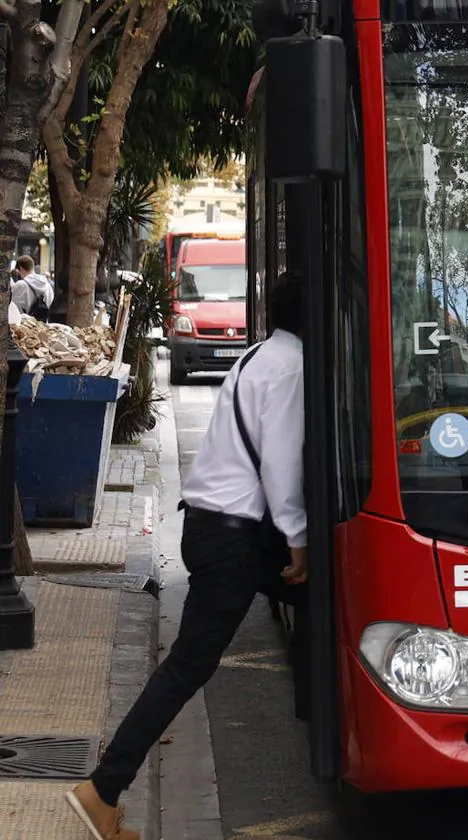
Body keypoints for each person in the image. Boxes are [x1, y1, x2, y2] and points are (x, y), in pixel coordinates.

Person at [66, 272, 308, 840]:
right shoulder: (293, 368)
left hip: (211, 527)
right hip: (234, 538)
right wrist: (299, 537)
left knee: (325, 609)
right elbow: (280, 464)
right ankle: (103, 789)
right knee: (187, 668)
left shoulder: (259, 356)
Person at [11, 255, 53, 319]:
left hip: (24, 325)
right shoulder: (47, 285)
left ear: (21, 268)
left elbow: (13, 307)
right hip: (42, 325)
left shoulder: (20, 285)